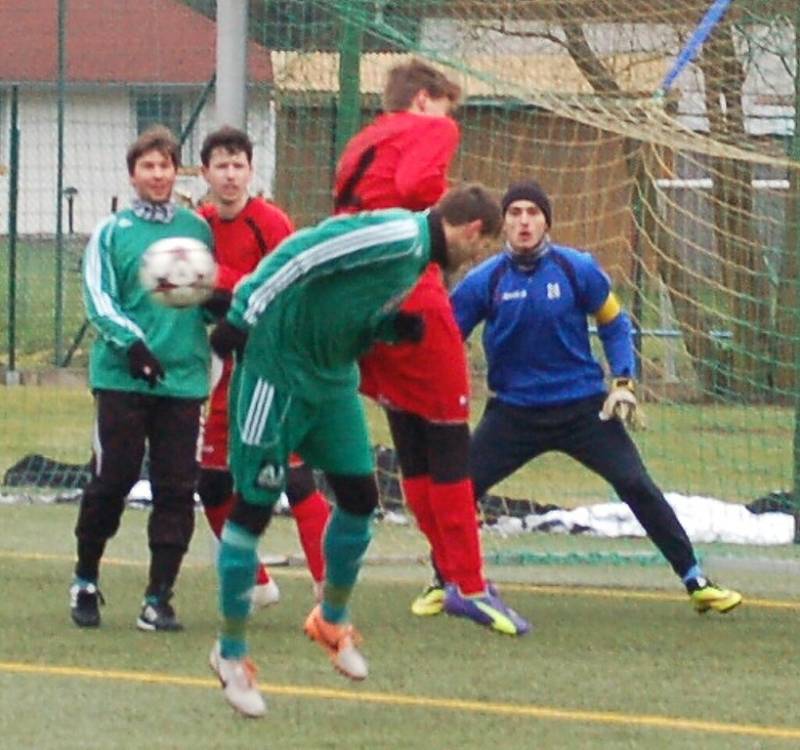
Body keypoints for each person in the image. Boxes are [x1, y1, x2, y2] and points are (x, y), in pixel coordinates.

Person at [207, 184, 503, 717]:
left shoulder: (417, 263)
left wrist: (390, 327)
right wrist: (242, 316)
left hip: (332, 380)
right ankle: (230, 654)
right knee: (251, 510)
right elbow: (304, 253)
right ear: (472, 230)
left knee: (361, 499)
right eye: (481, 248)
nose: (476, 259)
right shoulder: (393, 234)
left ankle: (331, 619)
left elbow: (348, 306)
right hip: (277, 375)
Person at [450, 179, 744, 615]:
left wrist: (623, 381)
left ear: (547, 220)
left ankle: (695, 580)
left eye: (533, 212)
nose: (524, 221)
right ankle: (443, 583)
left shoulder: (576, 269)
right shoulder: (484, 280)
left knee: (635, 484)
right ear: (504, 224)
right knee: (456, 492)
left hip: (583, 409)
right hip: (514, 413)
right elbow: (446, 335)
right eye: (515, 213)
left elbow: (614, 322)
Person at [335, 59, 529, 636]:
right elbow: (415, 190)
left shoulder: (361, 142)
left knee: (414, 444)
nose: (451, 123)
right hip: (407, 287)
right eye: (446, 107)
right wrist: (453, 204)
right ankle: (468, 585)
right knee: (448, 438)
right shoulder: (432, 129)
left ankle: (450, 572)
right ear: (423, 100)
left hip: (361, 300)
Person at [70, 126, 214, 632]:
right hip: (122, 379)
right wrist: (132, 345)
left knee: (177, 489)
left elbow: (202, 299)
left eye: (166, 165)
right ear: (133, 174)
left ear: (177, 172)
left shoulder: (198, 230)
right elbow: (97, 298)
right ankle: (86, 579)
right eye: (148, 166)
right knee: (114, 480)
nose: (157, 174)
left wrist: (222, 312)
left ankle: (159, 599)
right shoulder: (112, 232)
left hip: (183, 381)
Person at [197, 126, 330, 606]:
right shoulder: (197, 225)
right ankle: (256, 582)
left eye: (239, 166)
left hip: (269, 365)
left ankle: (327, 581)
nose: (230, 175)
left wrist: (220, 281)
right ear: (205, 172)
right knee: (210, 481)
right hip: (217, 372)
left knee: (292, 476)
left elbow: (284, 287)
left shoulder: (270, 223)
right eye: (221, 166)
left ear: (251, 171)